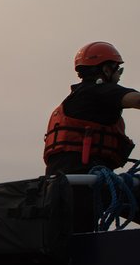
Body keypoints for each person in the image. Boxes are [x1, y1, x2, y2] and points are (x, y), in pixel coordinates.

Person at [43, 41, 140, 175]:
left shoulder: (77, 95)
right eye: (119, 70)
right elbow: (137, 100)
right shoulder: (98, 91)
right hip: (85, 181)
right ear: (106, 70)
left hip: (60, 183)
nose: (119, 76)